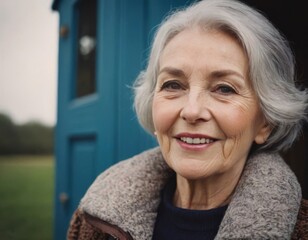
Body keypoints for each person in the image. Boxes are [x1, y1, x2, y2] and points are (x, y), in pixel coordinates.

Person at [67, 0, 308, 239]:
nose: (192, 111)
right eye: (173, 85)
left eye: (224, 89)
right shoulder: (95, 220)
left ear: (266, 122)